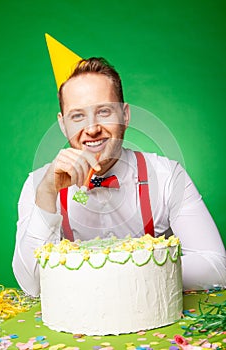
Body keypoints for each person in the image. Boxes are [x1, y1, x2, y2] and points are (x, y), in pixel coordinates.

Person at [13, 57, 226, 297]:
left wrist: (113, 272)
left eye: (103, 111)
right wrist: (47, 195)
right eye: (77, 116)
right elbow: (32, 285)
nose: (92, 128)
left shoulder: (167, 176)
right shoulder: (38, 185)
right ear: (63, 125)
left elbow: (215, 267)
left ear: (125, 115)